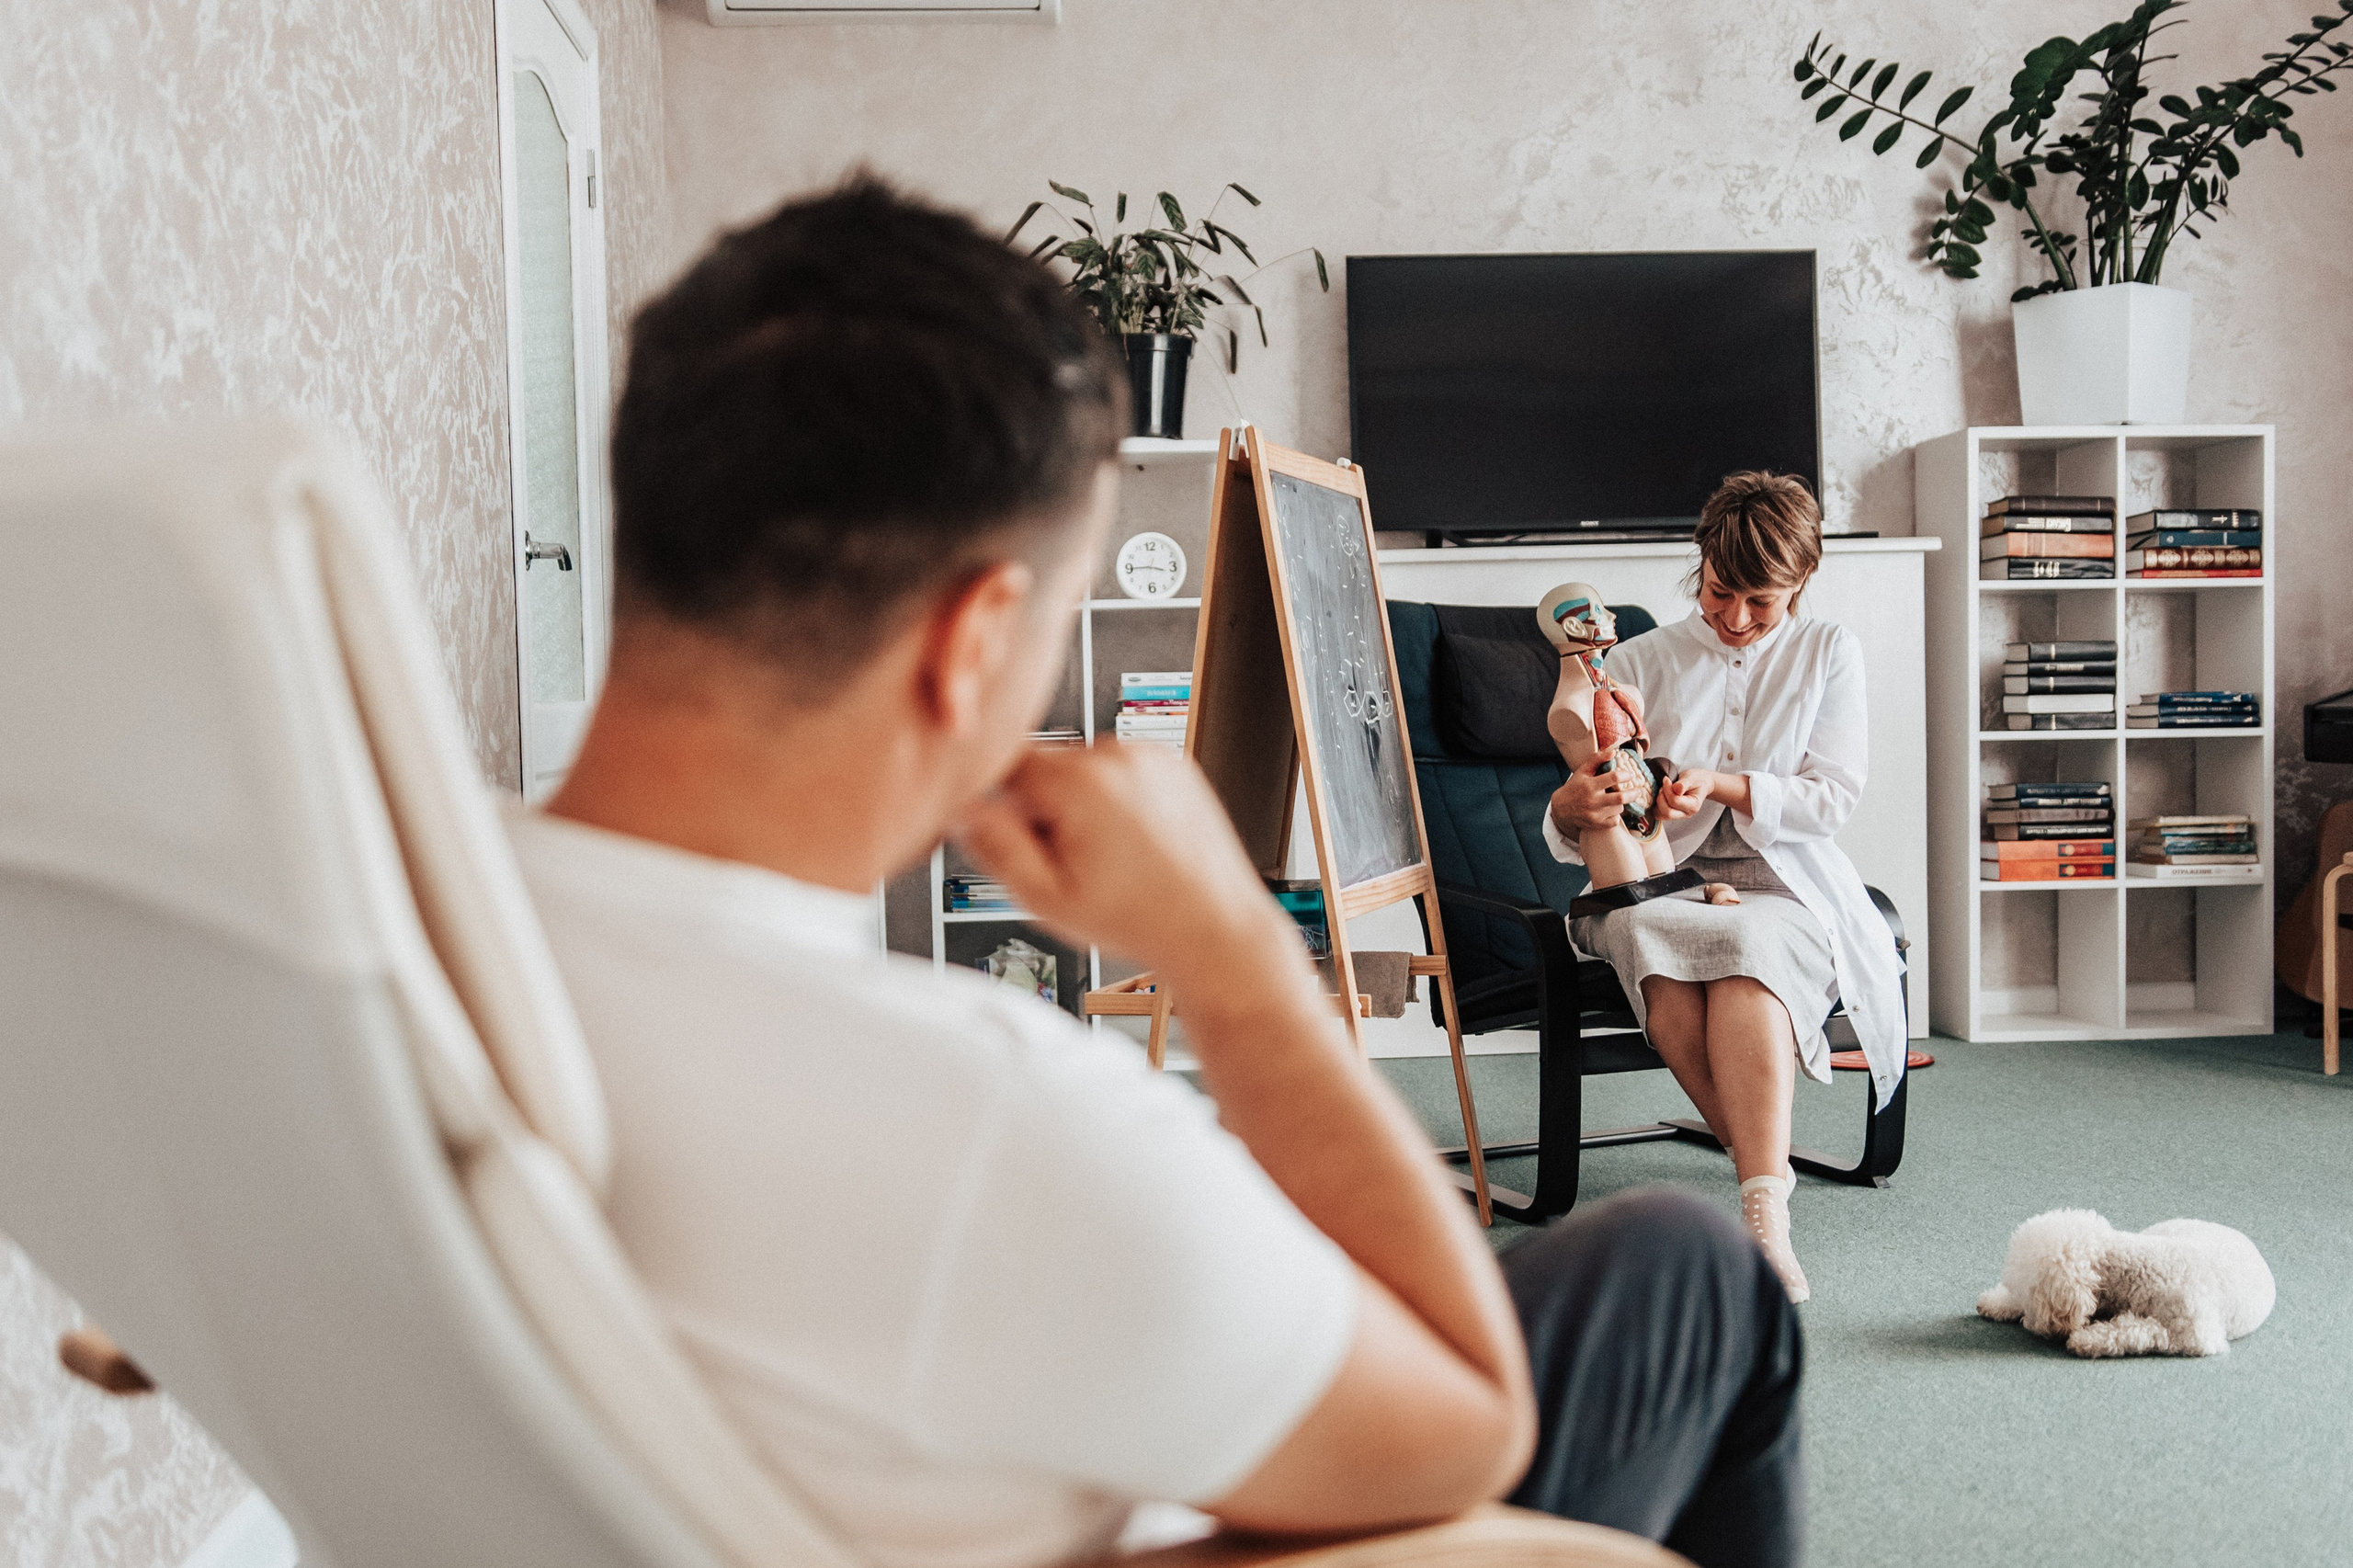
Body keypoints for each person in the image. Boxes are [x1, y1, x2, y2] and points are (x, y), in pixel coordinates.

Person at [510, 176, 1803, 1568]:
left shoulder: (406, 935)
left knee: (1680, 1257)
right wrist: (1235, 962)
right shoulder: (988, 1103)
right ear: (972, 643)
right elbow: (1468, 1422)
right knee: (1711, 1291)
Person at [1543, 475, 1908, 1304]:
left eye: (1761, 602)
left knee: (1747, 950)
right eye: (1718, 593)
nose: (1736, 617)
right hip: (1653, 882)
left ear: (1802, 585)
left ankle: (1761, 1216)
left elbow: (1832, 797)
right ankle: (1766, 1201)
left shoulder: (1828, 651)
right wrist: (1575, 804)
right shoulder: (1635, 661)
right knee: (1665, 950)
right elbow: (1579, 821)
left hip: (1784, 882)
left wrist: (1725, 785)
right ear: (1698, 566)